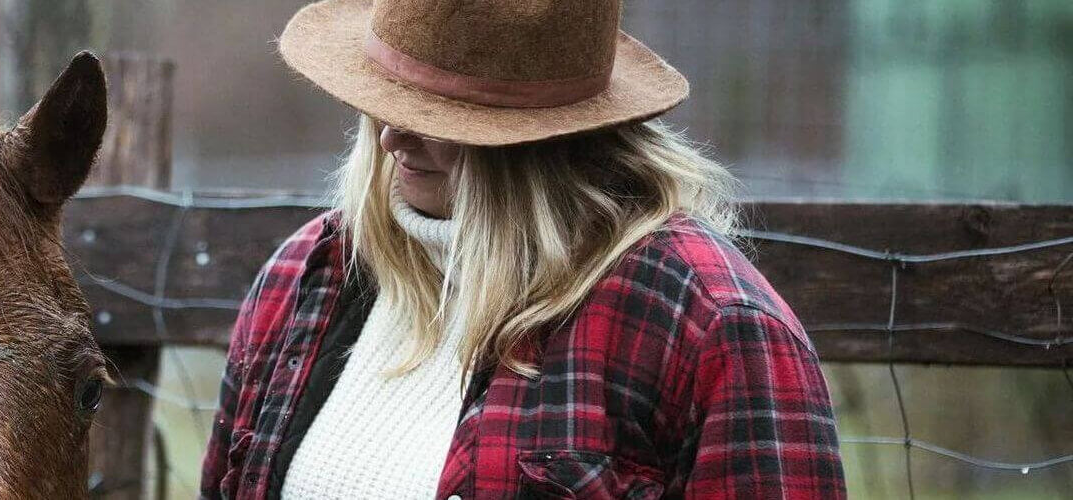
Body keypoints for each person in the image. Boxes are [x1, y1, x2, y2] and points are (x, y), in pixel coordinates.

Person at [199, 0, 846, 498]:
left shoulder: (708, 329)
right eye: (380, 97)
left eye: (435, 117)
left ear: (543, 145)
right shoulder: (303, 281)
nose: (393, 138)